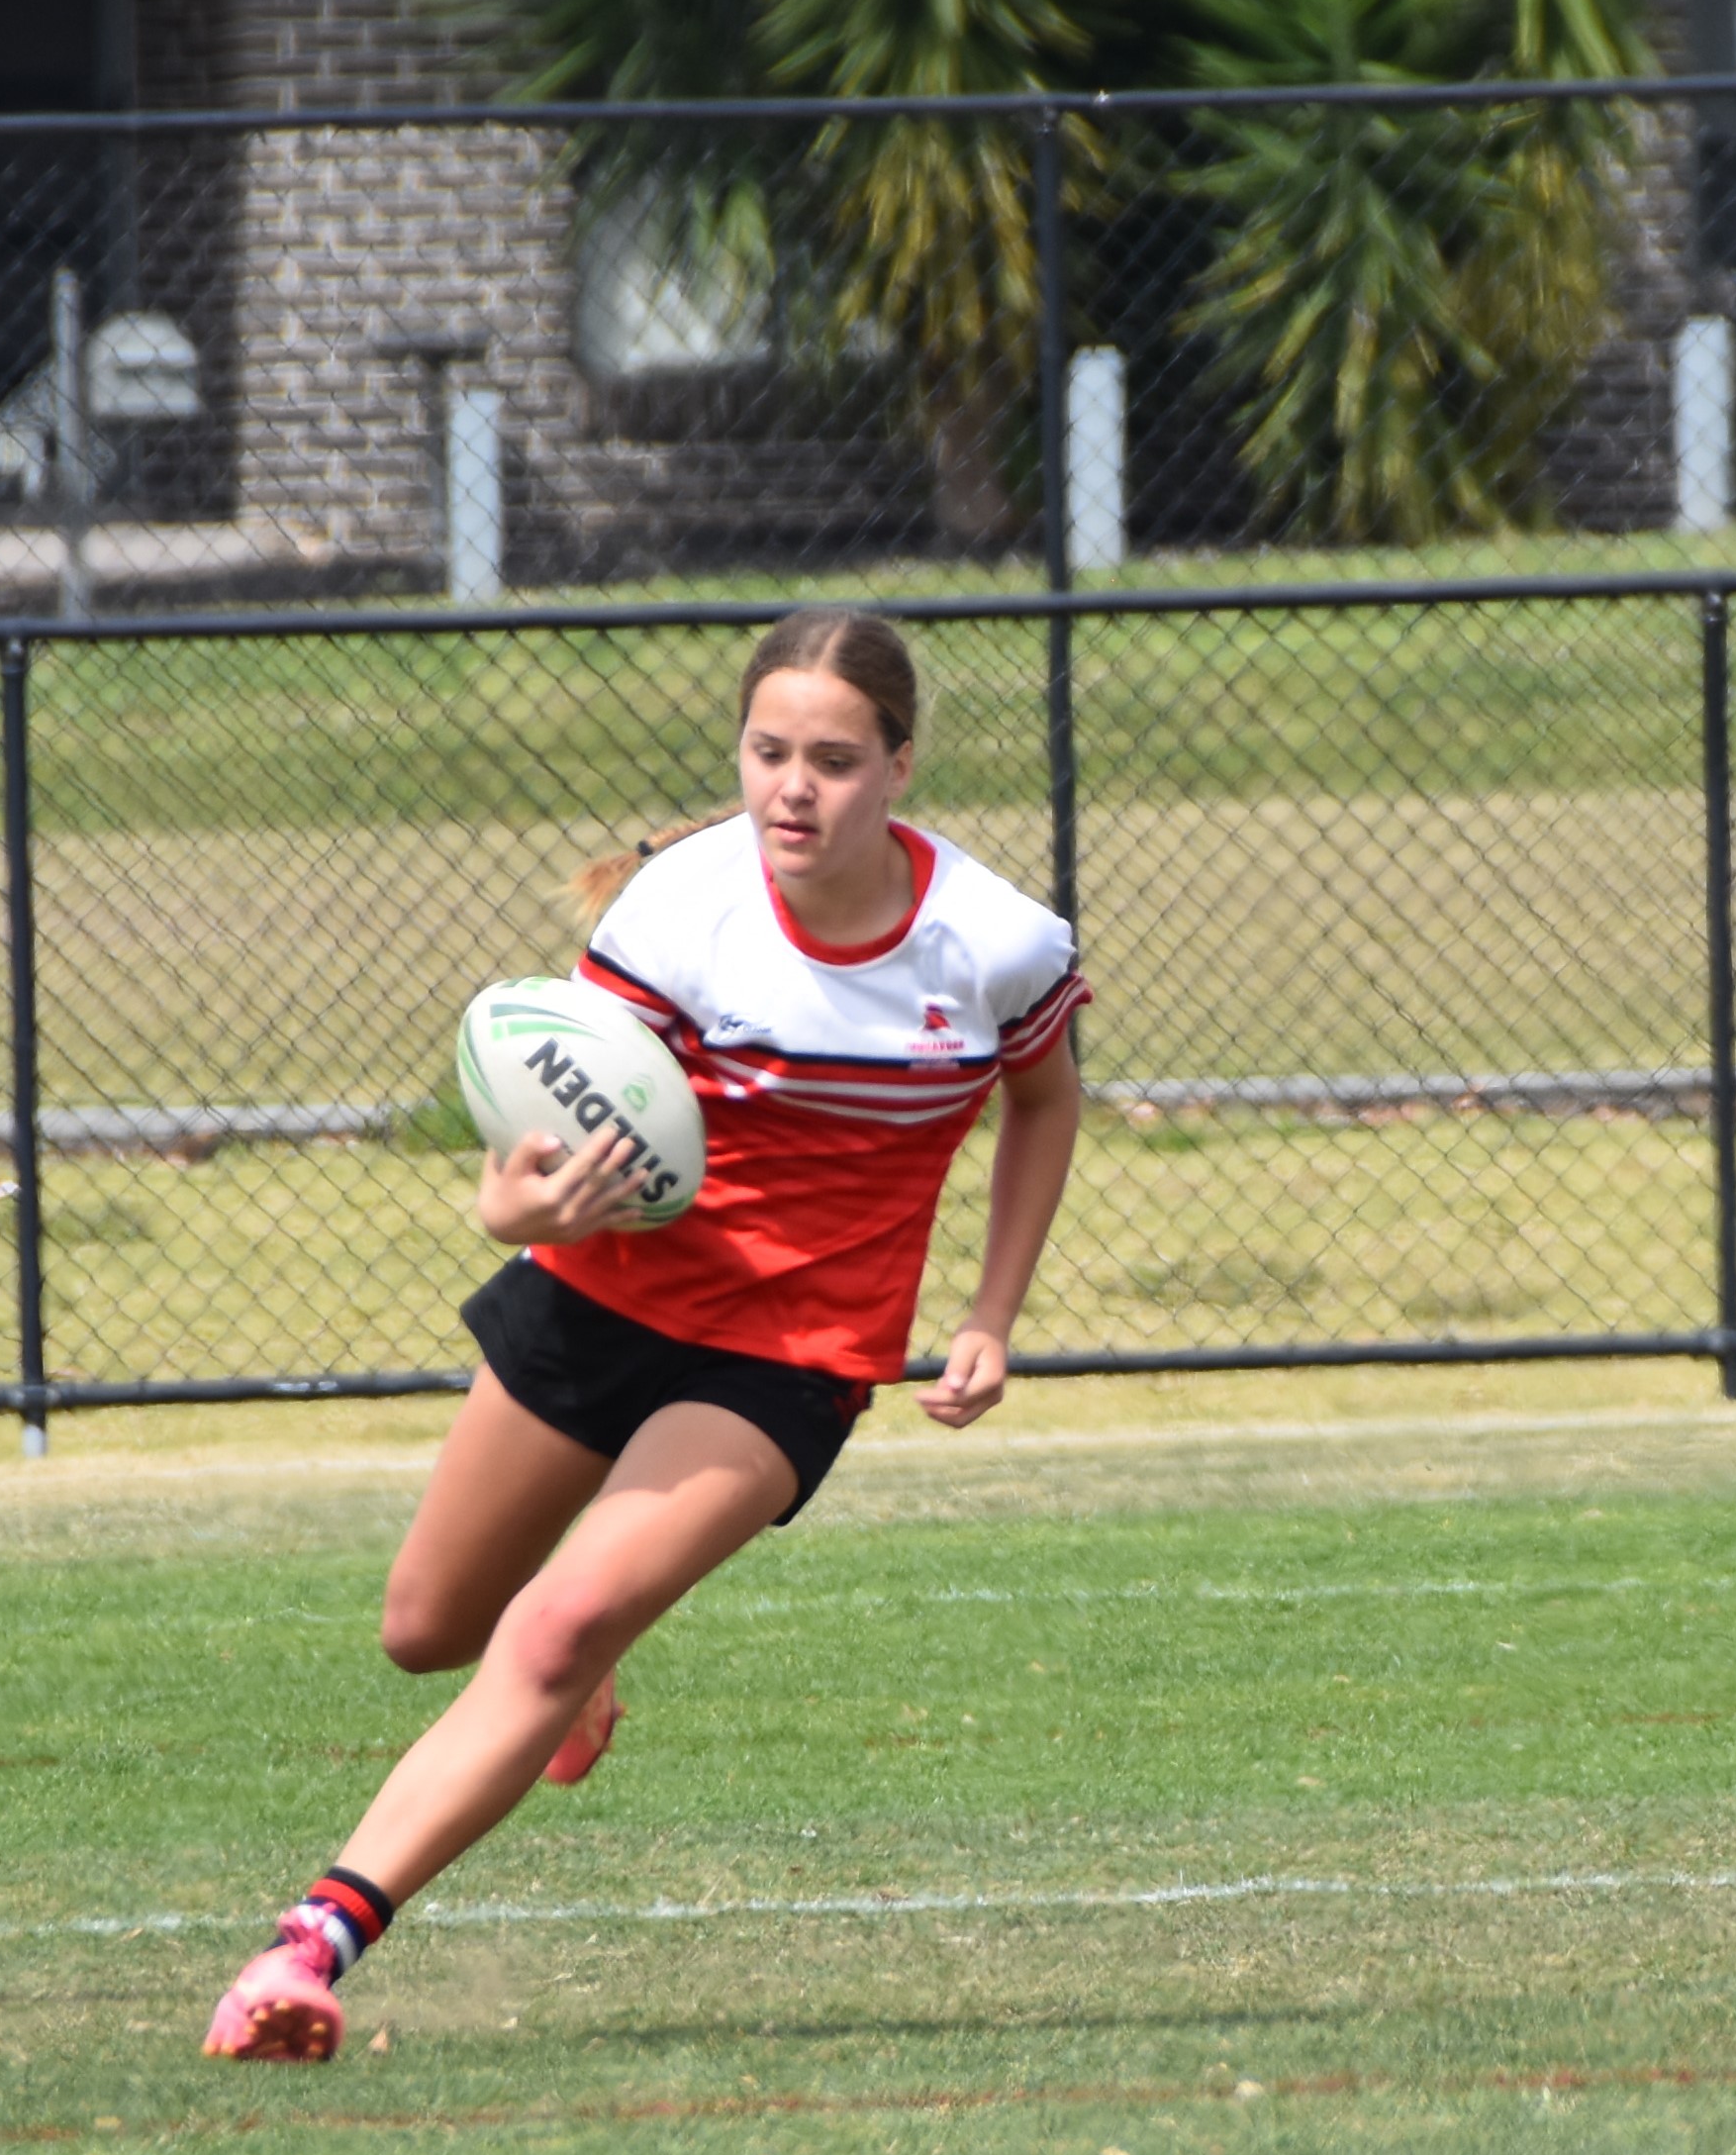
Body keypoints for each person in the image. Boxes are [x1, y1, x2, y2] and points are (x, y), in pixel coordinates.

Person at [205, 607, 1083, 2062]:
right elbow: (564, 1123)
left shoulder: (995, 942)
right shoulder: (680, 906)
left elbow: (1044, 1102)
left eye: (837, 760)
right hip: (602, 1296)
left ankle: (307, 1949)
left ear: (903, 768)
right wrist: (514, 1205)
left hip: (787, 1356)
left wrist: (992, 1313)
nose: (795, 788)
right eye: (768, 752)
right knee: (428, 1628)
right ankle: (581, 1657)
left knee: (546, 1622)